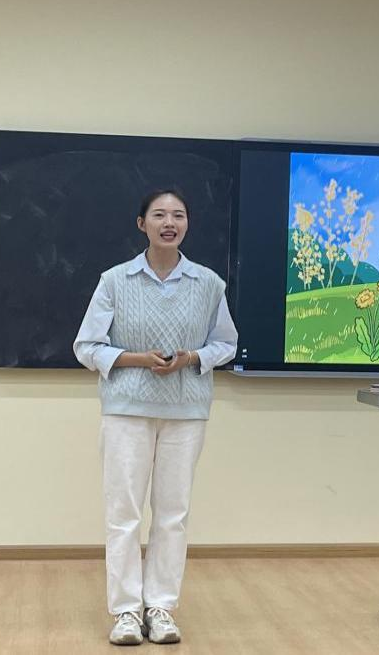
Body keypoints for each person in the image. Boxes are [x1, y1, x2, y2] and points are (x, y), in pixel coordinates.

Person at [74, 188, 238, 646]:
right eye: (160, 215)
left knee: (172, 513)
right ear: (141, 223)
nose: (170, 223)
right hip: (126, 410)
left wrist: (191, 358)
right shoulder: (115, 280)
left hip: (186, 412)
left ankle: (161, 607)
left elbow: (226, 343)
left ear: (187, 224)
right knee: (123, 513)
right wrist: (137, 360)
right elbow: (86, 346)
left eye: (178, 215)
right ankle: (126, 611)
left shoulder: (208, 283)